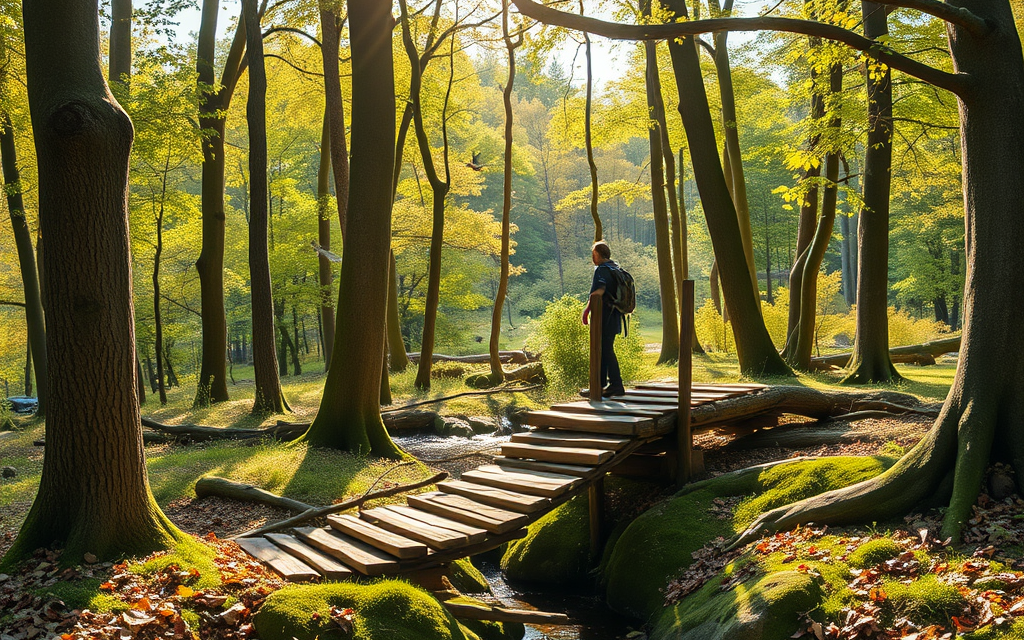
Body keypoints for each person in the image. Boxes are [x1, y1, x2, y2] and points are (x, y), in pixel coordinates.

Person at [582, 240, 625, 398]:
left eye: (593, 254)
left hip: (605, 316)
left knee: (604, 350)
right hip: (615, 315)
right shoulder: (615, 267)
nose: (592, 257)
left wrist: (586, 311)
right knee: (605, 349)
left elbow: (598, 292)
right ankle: (601, 386)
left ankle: (614, 385)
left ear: (598, 254)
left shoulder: (601, 270)